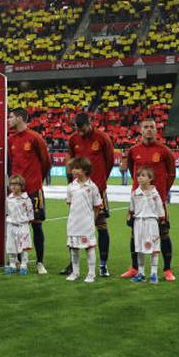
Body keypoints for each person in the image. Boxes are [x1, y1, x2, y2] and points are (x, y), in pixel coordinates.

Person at [121, 118, 178, 281]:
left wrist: (163, 191)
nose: (149, 130)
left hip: (157, 199)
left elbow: (172, 174)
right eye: (146, 127)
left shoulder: (164, 151)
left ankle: (167, 269)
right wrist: (139, 189)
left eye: (152, 127)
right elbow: (132, 172)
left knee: (163, 232)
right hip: (138, 199)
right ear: (141, 130)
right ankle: (134, 268)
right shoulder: (134, 151)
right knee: (135, 233)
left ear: (156, 130)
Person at [65, 112, 114, 276]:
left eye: (83, 128)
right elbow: (71, 161)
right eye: (77, 129)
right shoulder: (73, 139)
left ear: (89, 123)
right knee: (75, 226)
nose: (80, 132)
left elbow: (109, 161)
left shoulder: (102, 138)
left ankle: (103, 265)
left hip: (96, 189)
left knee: (101, 226)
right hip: (78, 191)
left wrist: (100, 182)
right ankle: (73, 265)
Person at [8, 108, 52, 274]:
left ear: (20, 118)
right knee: (16, 226)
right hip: (16, 192)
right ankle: (19, 261)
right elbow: (10, 164)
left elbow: (46, 162)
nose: (8, 120)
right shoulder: (10, 140)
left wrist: (36, 180)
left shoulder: (35, 138)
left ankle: (40, 262)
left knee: (36, 225)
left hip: (33, 190)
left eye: (11, 117)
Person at [65, 156, 103, 283]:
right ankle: (75, 272)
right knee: (74, 248)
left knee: (89, 247)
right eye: (73, 168)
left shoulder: (92, 187)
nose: (74, 171)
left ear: (85, 170)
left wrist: (91, 219)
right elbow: (70, 204)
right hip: (73, 223)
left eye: (77, 168)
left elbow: (97, 206)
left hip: (87, 223)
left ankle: (91, 273)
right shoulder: (71, 186)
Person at [129, 167, 165, 284]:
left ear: (150, 178)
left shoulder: (155, 194)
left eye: (143, 175)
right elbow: (132, 209)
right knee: (139, 248)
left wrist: (162, 220)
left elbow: (160, 210)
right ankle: (141, 273)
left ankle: (154, 273)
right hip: (138, 223)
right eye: (138, 175)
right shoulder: (135, 194)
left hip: (152, 223)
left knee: (154, 248)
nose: (140, 178)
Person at [4, 174, 34, 275]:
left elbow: (30, 214)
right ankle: (12, 264)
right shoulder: (9, 199)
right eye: (12, 184)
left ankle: (23, 265)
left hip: (23, 226)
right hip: (11, 226)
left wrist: (25, 223)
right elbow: (7, 212)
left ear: (21, 186)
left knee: (24, 247)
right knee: (11, 246)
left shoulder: (26, 199)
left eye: (16, 184)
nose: (13, 186)